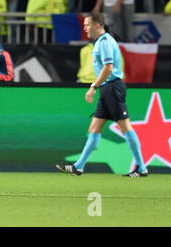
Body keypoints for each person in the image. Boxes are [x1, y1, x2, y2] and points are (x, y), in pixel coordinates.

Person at [56, 12, 148, 178]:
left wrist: (93, 86)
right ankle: (78, 167)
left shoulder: (104, 43)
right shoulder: (101, 42)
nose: (85, 28)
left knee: (125, 127)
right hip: (107, 89)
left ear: (98, 25)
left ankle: (141, 168)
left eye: (87, 25)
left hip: (112, 87)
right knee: (94, 128)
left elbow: (108, 68)